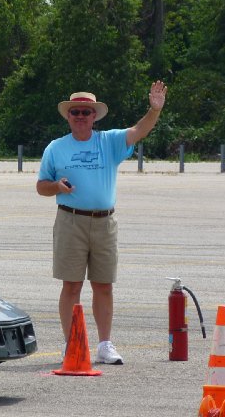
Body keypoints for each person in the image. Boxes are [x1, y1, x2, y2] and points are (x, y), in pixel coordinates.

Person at [36, 81, 167, 365]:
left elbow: (138, 131)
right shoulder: (56, 148)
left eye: (86, 112)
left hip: (105, 222)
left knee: (103, 285)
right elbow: (40, 186)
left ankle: (105, 344)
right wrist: (57, 186)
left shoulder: (108, 141)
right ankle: (71, 344)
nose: (81, 116)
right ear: (68, 116)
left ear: (95, 116)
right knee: (71, 285)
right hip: (70, 221)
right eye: (76, 112)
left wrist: (154, 110)